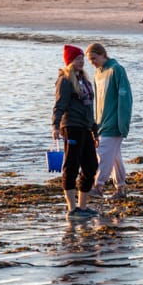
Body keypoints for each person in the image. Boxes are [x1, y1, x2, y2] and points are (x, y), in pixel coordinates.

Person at [52, 44, 99, 219]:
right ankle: (72, 209)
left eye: (82, 59)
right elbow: (59, 105)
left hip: (85, 127)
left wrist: (95, 130)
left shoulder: (84, 81)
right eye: (78, 59)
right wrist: (55, 126)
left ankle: (83, 206)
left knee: (91, 166)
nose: (82, 62)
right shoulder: (65, 80)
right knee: (71, 166)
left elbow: (89, 109)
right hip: (71, 126)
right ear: (70, 61)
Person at [86, 43, 133, 201]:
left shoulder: (116, 70)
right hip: (101, 123)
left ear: (102, 54)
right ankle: (121, 188)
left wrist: (123, 123)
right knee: (114, 157)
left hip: (114, 122)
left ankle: (98, 186)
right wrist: (94, 124)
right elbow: (96, 100)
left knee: (103, 154)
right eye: (89, 60)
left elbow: (125, 97)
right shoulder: (97, 73)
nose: (92, 62)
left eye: (94, 58)